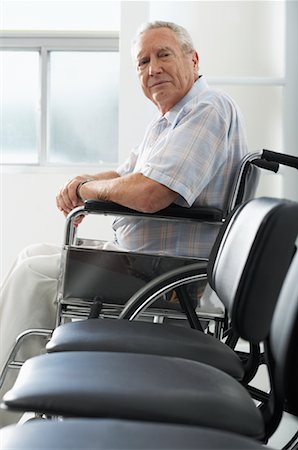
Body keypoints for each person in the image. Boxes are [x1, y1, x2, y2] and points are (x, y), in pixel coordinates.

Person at [0, 21, 248, 426]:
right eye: (143, 62)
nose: (152, 69)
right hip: (145, 263)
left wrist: (86, 191)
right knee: (32, 254)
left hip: (171, 276)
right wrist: (83, 182)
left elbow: (150, 192)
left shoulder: (206, 109)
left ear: (193, 59)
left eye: (163, 55)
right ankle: (27, 391)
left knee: (34, 274)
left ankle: (9, 412)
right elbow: (125, 176)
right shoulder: (167, 121)